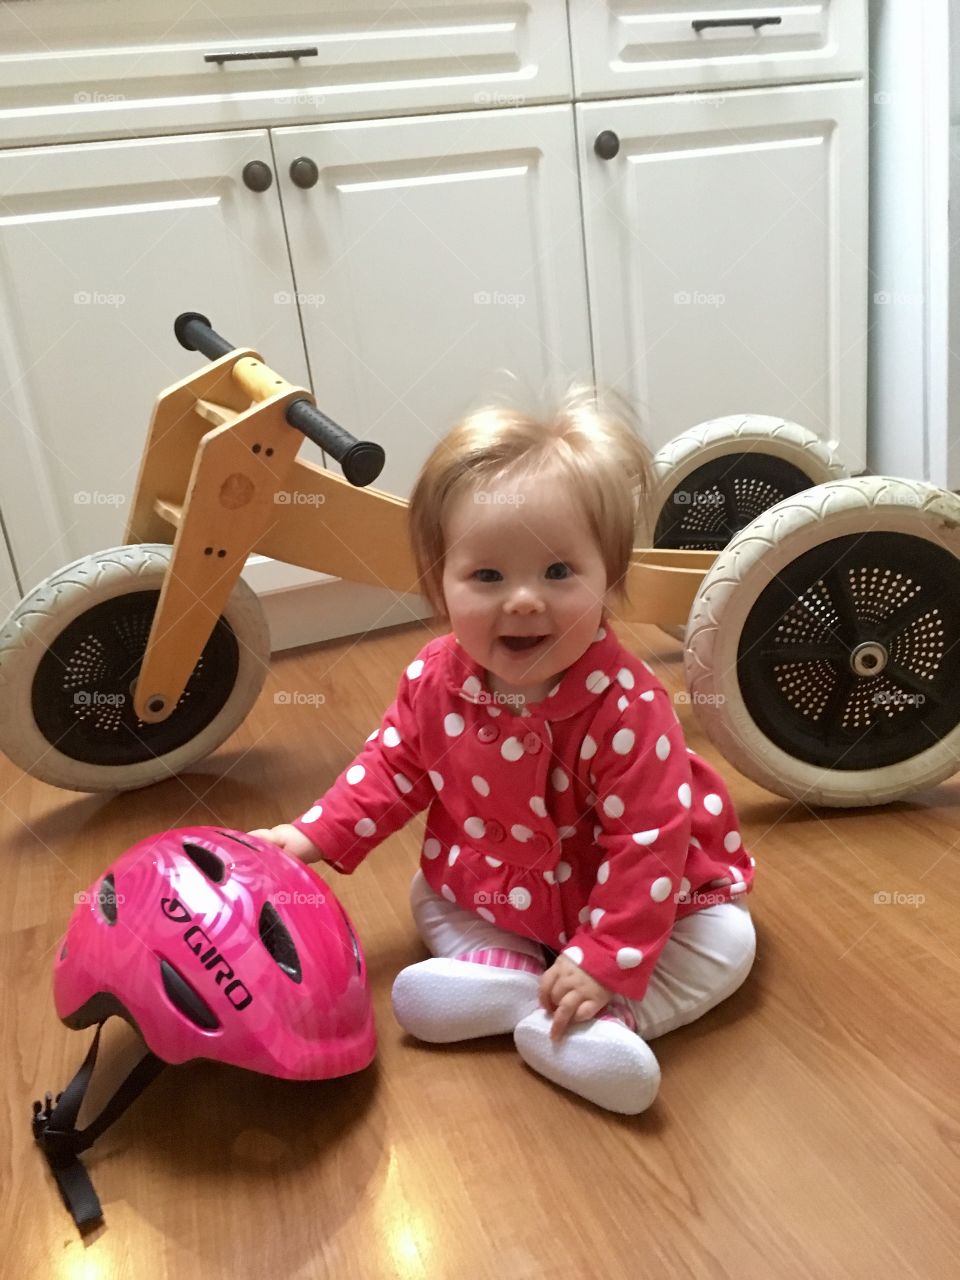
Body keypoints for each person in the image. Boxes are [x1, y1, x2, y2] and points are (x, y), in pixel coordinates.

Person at [251, 389, 756, 1114]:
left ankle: (602, 1020)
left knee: (727, 939)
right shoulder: (434, 679)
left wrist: (608, 960)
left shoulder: (628, 705)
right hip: (499, 882)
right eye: (487, 576)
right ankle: (505, 974)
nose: (523, 601)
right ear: (441, 584)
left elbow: (647, 844)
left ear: (607, 581)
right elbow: (391, 767)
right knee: (430, 894)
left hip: (644, 894)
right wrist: (312, 833)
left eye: (559, 573)